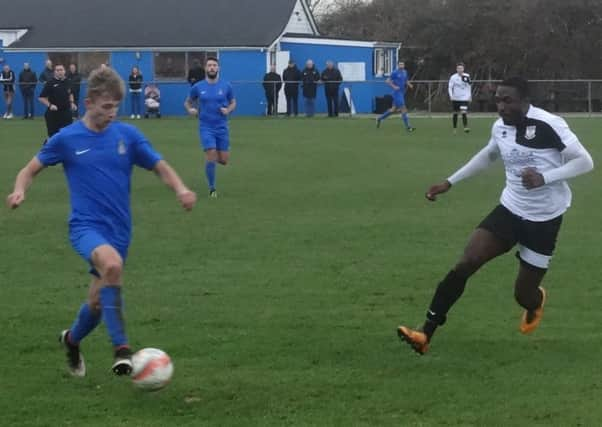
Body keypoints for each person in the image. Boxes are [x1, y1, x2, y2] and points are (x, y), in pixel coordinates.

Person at [6, 66, 197, 378]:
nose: (112, 113)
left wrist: (181, 188)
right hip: (85, 228)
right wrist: (18, 191)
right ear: (89, 102)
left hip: (120, 231)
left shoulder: (128, 136)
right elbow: (29, 170)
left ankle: (71, 340)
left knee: (96, 302)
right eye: (107, 106)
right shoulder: (66, 139)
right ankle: (121, 349)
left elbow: (159, 165)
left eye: (116, 107)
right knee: (112, 265)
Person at [397, 77, 594, 355]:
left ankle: (535, 303)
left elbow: (585, 161)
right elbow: (488, 155)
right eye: (498, 100)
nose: (500, 106)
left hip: (544, 219)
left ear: (525, 100)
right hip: (510, 209)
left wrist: (545, 178)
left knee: (523, 294)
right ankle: (425, 332)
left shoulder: (549, 124)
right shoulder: (500, 128)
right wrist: (449, 182)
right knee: (467, 262)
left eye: (507, 100)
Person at [184, 57, 236, 198]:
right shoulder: (198, 87)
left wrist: (228, 110)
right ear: (206, 69)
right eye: (209, 65)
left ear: (218, 68)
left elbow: (233, 102)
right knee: (211, 154)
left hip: (222, 127)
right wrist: (190, 110)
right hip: (205, 127)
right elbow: (188, 102)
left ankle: (212, 159)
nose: (212, 68)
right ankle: (212, 188)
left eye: (214, 65)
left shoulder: (226, 86)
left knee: (224, 160)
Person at [38, 64, 76, 139]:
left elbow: (70, 93)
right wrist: (50, 105)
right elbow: (41, 98)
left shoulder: (68, 82)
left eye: (61, 70)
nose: (59, 72)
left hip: (66, 114)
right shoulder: (50, 83)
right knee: (53, 138)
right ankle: (48, 149)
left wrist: (72, 103)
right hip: (53, 115)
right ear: (54, 72)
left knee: (67, 136)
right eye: (57, 70)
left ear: (64, 71)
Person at [376, 61, 415, 132]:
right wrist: (394, 86)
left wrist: (409, 85)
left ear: (404, 65)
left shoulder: (405, 72)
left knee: (392, 110)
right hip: (397, 93)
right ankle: (408, 127)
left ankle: (379, 119)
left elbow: (406, 80)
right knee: (404, 108)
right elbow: (387, 81)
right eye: (400, 64)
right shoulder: (395, 72)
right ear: (398, 65)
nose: (401, 65)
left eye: (402, 64)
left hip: (401, 93)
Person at [448, 62, 472, 133]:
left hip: (464, 98)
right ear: (456, 69)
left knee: (463, 112)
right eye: (458, 68)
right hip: (456, 98)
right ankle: (454, 128)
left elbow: (469, 86)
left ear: (463, 69)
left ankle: (465, 127)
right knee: (455, 113)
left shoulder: (467, 76)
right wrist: (451, 96)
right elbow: (450, 87)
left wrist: (470, 96)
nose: (460, 70)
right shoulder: (453, 77)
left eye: (461, 68)